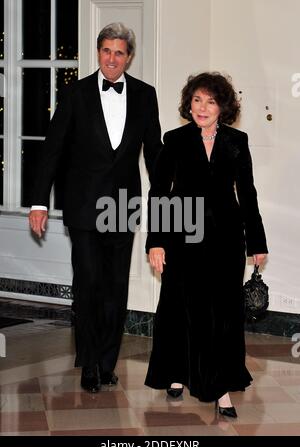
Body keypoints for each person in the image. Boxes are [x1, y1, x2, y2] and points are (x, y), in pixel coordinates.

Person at [29, 22, 162, 393]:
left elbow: (155, 154)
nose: (112, 58)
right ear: (98, 52)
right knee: (88, 284)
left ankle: (107, 361)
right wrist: (39, 201)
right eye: (106, 50)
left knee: (116, 287)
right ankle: (88, 362)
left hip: (122, 206)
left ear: (129, 57)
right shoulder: (76, 94)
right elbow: (52, 150)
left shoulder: (145, 95)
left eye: (119, 52)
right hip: (84, 206)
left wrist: (171, 196)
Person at [145, 72, 268, 418]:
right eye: (197, 100)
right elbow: (159, 194)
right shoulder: (175, 139)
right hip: (182, 236)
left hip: (226, 240)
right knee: (179, 307)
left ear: (223, 107)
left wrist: (257, 242)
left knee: (223, 315)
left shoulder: (237, 141)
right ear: (189, 103)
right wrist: (156, 242)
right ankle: (177, 373)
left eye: (210, 101)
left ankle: (222, 389)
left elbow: (247, 194)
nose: (202, 107)